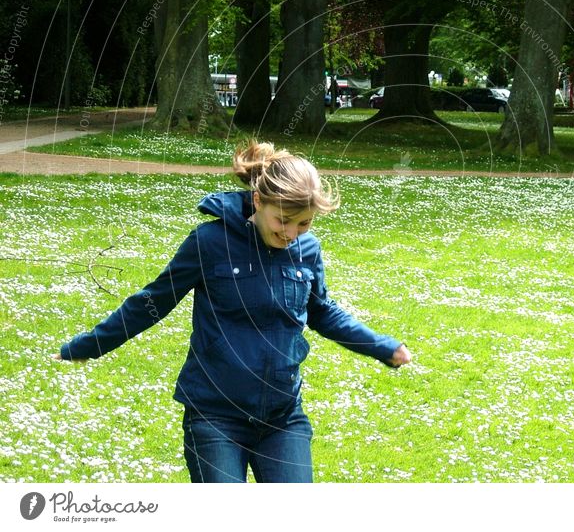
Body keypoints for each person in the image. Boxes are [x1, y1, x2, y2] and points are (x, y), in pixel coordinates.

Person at [54, 141, 412, 483]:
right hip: (215, 416)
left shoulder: (308, 250)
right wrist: (89, 345)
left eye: (304, 223)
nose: (291, 233)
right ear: (258, 200)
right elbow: (153, 302)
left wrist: (382, 346)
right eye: (283, 220)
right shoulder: (210, 243)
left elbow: (323, 312)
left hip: (282, 417)